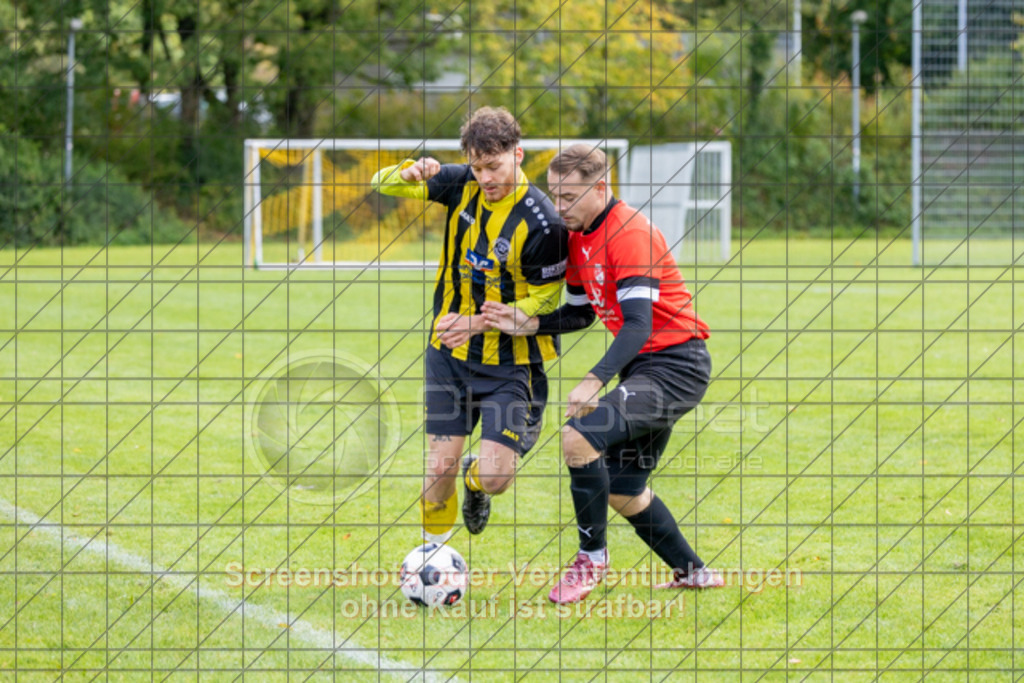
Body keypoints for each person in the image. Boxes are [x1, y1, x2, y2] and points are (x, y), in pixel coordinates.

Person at [482, 143, 723, 604]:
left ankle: (590, 559)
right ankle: (693, 573)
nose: (560, 206)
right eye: (554, 194)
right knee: (624, 489)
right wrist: (528, 322)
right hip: (645, 368)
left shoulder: (629, 233)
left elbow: (639, 324)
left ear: (601, 188)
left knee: (578, 438)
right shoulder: (577, 237)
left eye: (570, 196)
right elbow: (579, 314)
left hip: (677, 366)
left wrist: (593, 378)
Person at [371, 106, 568, 544]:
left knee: (497, 477)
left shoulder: (544, 224)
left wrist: (477, 323)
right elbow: (377, 183)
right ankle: (431, 559)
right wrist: (407, 174)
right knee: (437, 468)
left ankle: (475, 483)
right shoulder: (461, 183)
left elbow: (544, 301)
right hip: (449, 358)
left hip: (511, 367)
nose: (485, 179)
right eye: (478, 168)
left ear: (518, 154)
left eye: (494, 166)